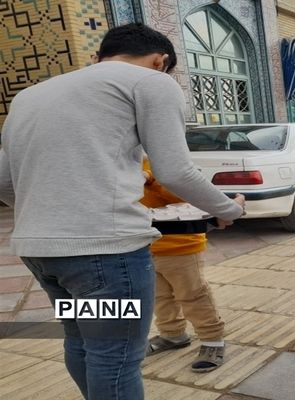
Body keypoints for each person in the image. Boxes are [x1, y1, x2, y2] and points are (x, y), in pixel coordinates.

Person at [0, 23, 245, 400]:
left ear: (101, 54)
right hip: (105, 255)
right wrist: (228, 208)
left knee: (81, 342)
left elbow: (3, 181)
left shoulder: (29, 96)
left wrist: (48, 214)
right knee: (114, 357)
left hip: (40, 251)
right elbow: (176, 170)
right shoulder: (153, 82)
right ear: (161, 61)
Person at [141, 159, 233, 372]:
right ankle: (172, 335)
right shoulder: (122, 161)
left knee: (193, 294)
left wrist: (151, 178)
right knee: (159, 296)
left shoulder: (164, 159)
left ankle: (213, 340)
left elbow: (189, 197)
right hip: (143, 244)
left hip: (180, 244)